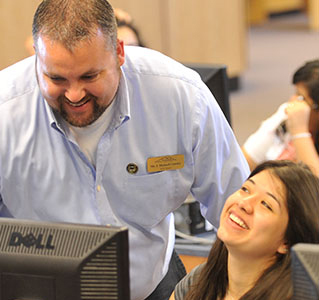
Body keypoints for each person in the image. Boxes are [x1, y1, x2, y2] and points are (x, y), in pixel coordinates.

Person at [0, 0, 249, 300]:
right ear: (37, 60)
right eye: (57, 79)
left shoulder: (181, 97)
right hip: (42, 291)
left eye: (89, 77)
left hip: (152, 283)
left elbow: (236, 205)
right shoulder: (6, 112)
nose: (74, 94)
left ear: (119, 53)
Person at [171, 160, 319, 300]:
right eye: (245, 189)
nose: (243, 203)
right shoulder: (200, 279)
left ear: (286, 242)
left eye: (266, 204)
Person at [242, 59, 319, 176]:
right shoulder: (286, 113)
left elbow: (314, 188)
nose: (292, 102)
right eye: (295, 93)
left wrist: (300, 133)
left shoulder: (298, 123)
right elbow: (245, 161)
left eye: (301, 98)